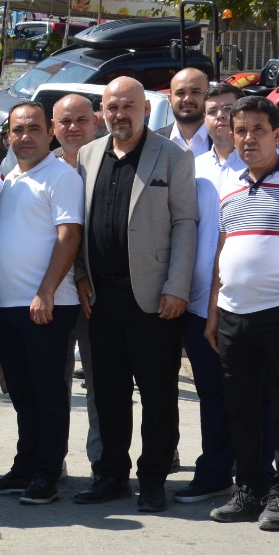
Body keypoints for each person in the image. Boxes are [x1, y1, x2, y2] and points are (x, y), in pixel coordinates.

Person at [72, 76, 196, 512]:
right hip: (100, 298)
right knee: (107, 392)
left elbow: (185, 223)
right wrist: (81, 274)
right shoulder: (87, 155)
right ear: (102, 110)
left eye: (128, 106)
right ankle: (110, 474)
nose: (119, 114)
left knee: (159, 393)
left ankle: (154, 478)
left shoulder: (173, 156)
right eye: (112, 107)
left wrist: (177, 286)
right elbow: (79, 225)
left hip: (154, 298)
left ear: (145, 108)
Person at [203, 96, 279, 530]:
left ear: (277, 134)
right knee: (240, 406)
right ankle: (248, 488)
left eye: (257, 130)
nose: (248, 138)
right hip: (232, 314)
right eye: (240, 130)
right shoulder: (229, 183)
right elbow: (222, 250)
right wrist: (212, 311)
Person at [0, 102, 85, 505]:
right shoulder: (9, 178)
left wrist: (46, 291)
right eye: (17, 129)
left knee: (47, 394)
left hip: (47, 305)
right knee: (23, 395)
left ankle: (47, 473)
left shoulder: (61, 176)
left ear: (50, 133)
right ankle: (25, 466)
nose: (24, 136)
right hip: (10, 308)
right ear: (7, 136)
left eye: (33, 128)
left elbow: (69, 236)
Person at [174, 85, 245, 504]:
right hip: (198, 303)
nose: (220, 118)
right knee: (212, 394)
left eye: (229, 111)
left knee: (253, 393)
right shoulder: (192, 168)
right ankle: (216, 470)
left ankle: (257, 471)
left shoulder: (258, 166)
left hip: (245, 303)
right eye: (214, 111)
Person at [49, 93, 105, 474]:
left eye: (81, 120)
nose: (73, 128)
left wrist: (84, 273)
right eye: (65, 121)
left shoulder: (109, 164)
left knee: (100, 381)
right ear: (53, 128)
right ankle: (53, 459)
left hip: (96, 292)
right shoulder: (37, 165)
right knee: (54, 382)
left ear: (95, 122)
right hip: (52, 291)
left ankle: (102, 461)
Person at [151, 66, 212, 154]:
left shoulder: (226, 140)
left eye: (195, 92)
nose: (187, 99)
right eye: (180, 93)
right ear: (170, 99)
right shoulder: (152, 142)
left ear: (208, 97)